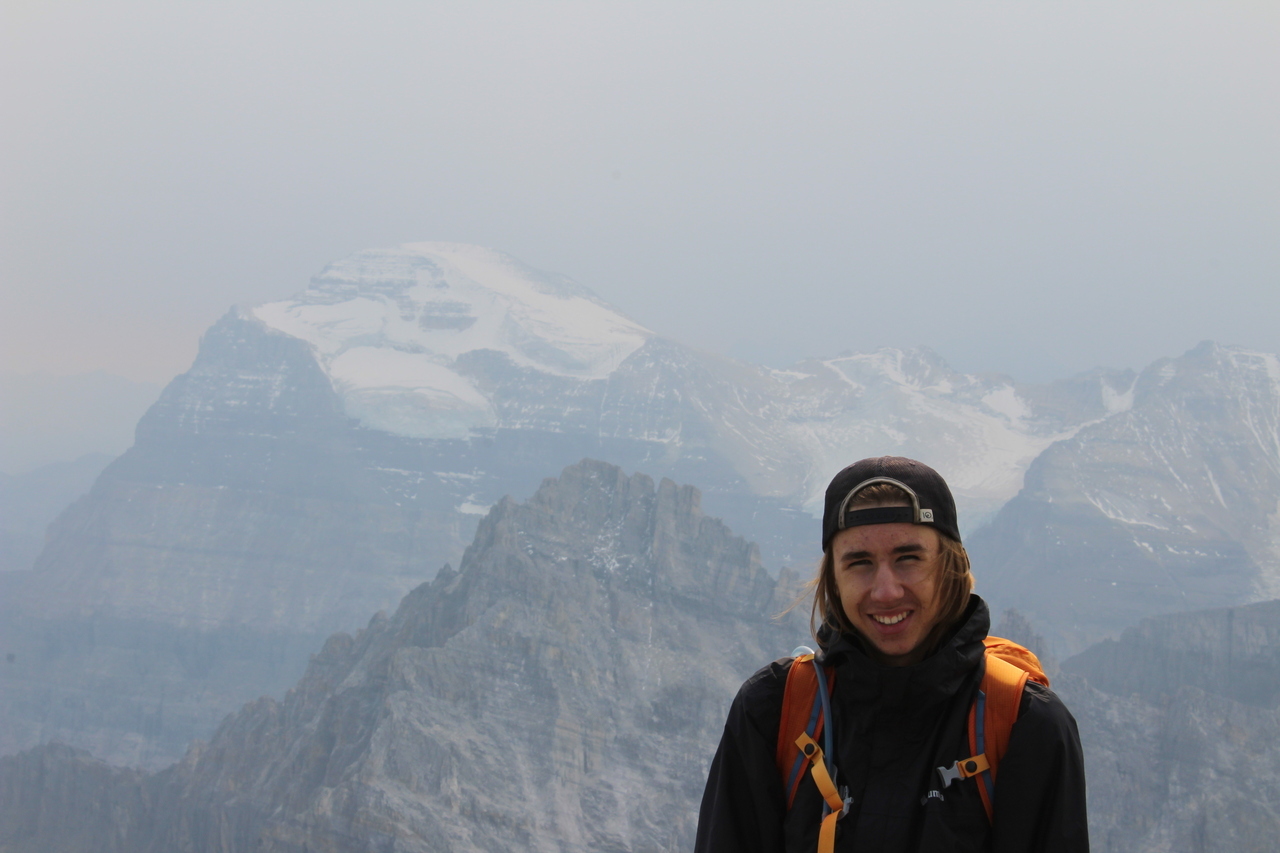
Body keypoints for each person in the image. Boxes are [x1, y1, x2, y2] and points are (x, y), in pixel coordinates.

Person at [694, 456, 1088, 852]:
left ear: (949, 566)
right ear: (834, 580)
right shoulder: (773, 710)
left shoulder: (1024, 724)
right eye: (859, 563)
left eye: (908, 558)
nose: (886, 591)